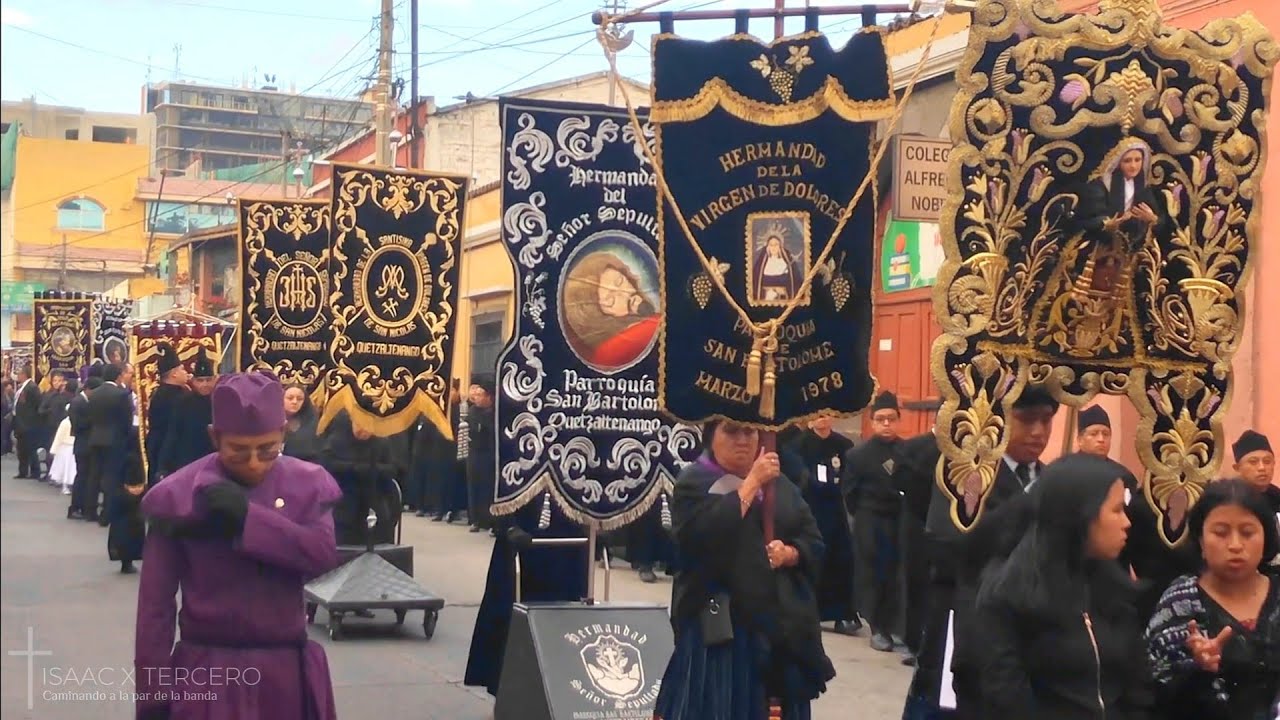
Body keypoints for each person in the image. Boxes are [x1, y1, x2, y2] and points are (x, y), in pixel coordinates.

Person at [135, 371, 342, 720]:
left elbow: (322, 556)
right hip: (207, 672)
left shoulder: (307, 483)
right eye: (238, 451)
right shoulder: (178, 496)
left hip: (284, 673)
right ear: (215, 437)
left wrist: (250, 519)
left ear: (283, 433)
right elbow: (155, 609)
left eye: (267, 449)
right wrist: (153, 698)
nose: (254, 463)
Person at [651, 419, 833, 720]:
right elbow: (701, 539)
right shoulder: (694, 483)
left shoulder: (781, 485)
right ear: (712, 436)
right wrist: (750, 484)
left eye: (749, 432)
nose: (743, 440)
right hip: (721, 629)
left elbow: (813, 539)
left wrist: (789, 553)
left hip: (779, 626)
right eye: (731, 431)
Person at [916, 384, 1059, 719]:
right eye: (1026, 420)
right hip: (969, 617)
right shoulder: (967, 476)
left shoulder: (1054, 483)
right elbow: (946, 545)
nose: (1038, 432)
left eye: (1047, 421)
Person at [973, 453, 1150, 718]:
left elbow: (1136, 686)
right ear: (1079, 515)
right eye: (1116, 510)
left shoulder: (1112, 588)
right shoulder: (1008, 594)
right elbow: (1007, 697)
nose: (1127, 523)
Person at [1146, 480, 1280, 720]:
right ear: (1200, 540)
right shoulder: (1181, 601)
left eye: (1248, 533)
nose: (1236, 545)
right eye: (1220, 533)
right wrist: (1196, 669)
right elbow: (1152, 692)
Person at [463, 498, 589, 697]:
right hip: (523, 535)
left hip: (567, 541)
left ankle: (563, 693)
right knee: (511, 614)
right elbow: (500, 483)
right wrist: (507, 524)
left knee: (566, 618)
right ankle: (505, 692)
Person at [842, 391, 905, 652]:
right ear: (872, 421)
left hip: (899, 520)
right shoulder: (858, 455)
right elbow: (850, 492)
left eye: (891, 418)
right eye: (881, 419)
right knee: (872, 574)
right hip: (870, 519)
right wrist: (863, 516)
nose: (886, 424)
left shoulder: (907, 451)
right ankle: (877, 627)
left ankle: (896, 626)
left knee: (897, 574)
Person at [794, 412, 858, 635]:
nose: (823, 420)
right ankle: (810, 611)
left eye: (827, 415)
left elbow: (850, 477)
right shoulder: (799, 445)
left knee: (841, 558)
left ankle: (843, 613)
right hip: (810, 509)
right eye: (818, 415)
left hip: (835, 509)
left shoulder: (844, 445)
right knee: (813, 558)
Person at [562, 252, 661, 370]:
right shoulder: (615, 348)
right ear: (597, 316)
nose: (625, 294)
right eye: (610, 300)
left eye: (620, 281)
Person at [322, 410, 402, 547]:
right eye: (359, 425)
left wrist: (371, 469)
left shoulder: (381, 443)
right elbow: (328, 465)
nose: (363, 430)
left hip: (374, 498)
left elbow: (392, 469)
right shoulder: (337, 441)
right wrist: (354, 468)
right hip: (344, 498)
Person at [86, 364, 134, 526]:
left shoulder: (94, 394)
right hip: (114, 440)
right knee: (112, 477)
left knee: (94, 474)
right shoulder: (121, 394)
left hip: (95, 438)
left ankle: (90, 509)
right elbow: (126, 420)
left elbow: (90, 417)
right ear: (118, 376)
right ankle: (107, 513)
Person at [156, 347, 216, 475]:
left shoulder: (220, 401)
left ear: (215, 379)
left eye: (208, 380)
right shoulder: (183, 402)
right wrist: (163, 466)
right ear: (193, 380)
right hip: (188, 463)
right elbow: (172, 434)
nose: (204, 384)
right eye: (200, 380)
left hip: (214, 463)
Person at [144, 343, 190, 483]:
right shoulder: (178, 397)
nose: (186, 373)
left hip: (155, 447)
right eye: (182, 370)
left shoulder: (159, 393)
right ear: (174, 374)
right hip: (170, 453)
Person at [67, 368, 101, 520]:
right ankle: (75, 507)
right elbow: (78, 424)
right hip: (82, 445)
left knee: (87, 477)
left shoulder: (86, 401)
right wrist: (94, 420)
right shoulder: (77, 402)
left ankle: (84, 506)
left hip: (87, 444)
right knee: (82, 477)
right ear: (87, 389)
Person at [466, 378, 496, 534]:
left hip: (488, 455)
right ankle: (475, 519)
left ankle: (490, 521)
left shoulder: (493, 413)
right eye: (475, 395)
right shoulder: (472, 412)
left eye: (480, 395)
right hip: (474, 453)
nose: (476, 398)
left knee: (488, 489)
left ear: (488, 397)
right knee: (474, 487)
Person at [37, 370, 72, 481]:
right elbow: (40, 410)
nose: (58, 383)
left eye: (60, 380)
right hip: (50, 427)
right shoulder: (48, 395)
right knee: (50, 450)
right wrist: (50, 411)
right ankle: (49, 472)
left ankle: (59, 474)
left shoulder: (68, 395)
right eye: (55, 380)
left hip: (62, 427)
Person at [1232, 430, 1279, 513]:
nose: (1262, 467)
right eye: (1253, 462)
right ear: (1237, 468)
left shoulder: (1277, 496)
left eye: (1267, 461)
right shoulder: (1227, 498)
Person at [752, 231, 801, 303]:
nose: (773, 247)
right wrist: (767, 293)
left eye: (776, 244)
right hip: (767, 299)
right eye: (771, 245)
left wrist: (784, 291)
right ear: (767, 247)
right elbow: (755, 284)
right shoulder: (761, 265)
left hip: (784, 300)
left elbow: (795, 283)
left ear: (780, 246)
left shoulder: (786, 263)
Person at [48, 379, 78, 495]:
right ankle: (65, 485)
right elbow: (58, 437)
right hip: (65, 448)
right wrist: (54, 449)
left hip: (70, 448)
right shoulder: (66, 423)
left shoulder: (70, 422)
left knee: (71, 469)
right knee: (66, 469)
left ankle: (70, 484)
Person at [282, 383, 323, 463]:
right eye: (290, 398)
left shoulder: (311, 420)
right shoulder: (272, 418)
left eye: (299, 399)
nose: (294, 402)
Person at [13, 365, 41, 479]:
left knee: (30, 448)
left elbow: (37, 404)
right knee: (22, 448)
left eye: (19, 374)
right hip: (20, 422)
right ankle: (22, 471)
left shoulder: (32, 387)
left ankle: (35, 471)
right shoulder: (22, 387)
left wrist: (31, 419)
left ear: (24, 374)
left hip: (28, 423)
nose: (17, 376)